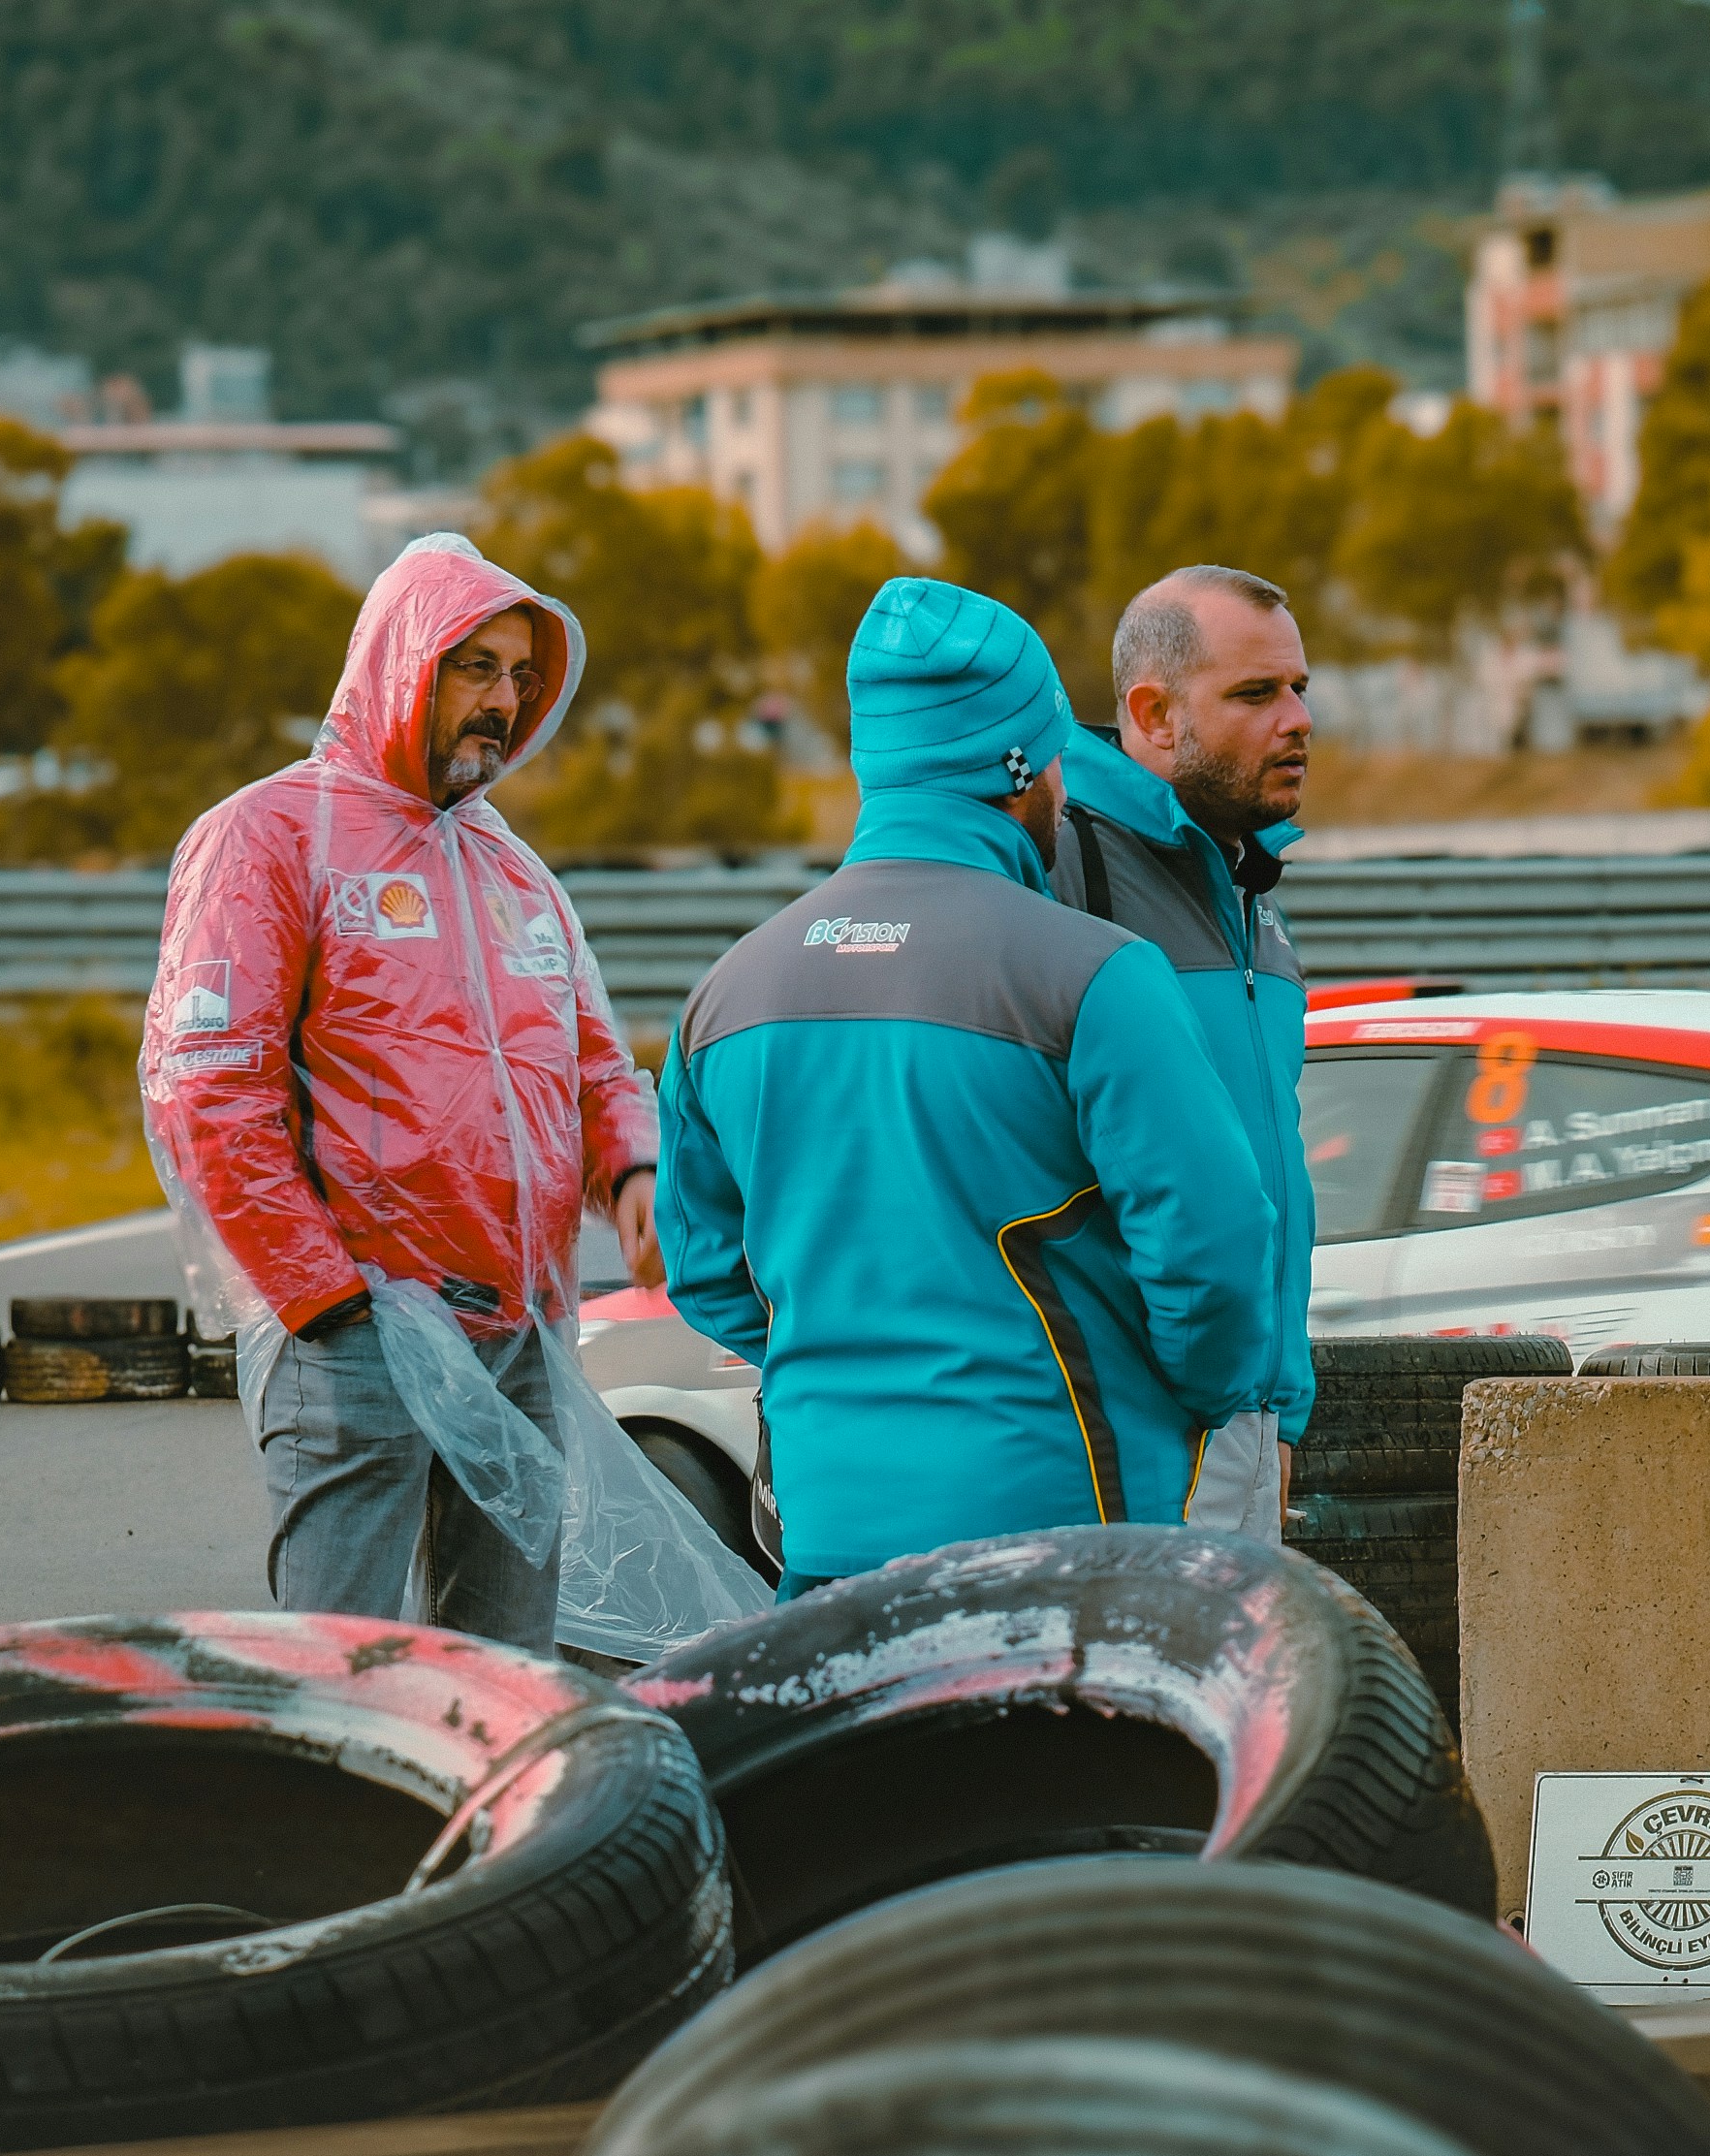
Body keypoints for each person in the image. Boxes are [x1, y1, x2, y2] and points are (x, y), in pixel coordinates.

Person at [657, 578, 1279, 1596]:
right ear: (1023, 768)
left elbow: (708, 1268)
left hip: (826, 1540)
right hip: (1060, 1541)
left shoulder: (726, 994)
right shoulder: (1096, 975)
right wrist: (1190, 1400)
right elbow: (1216, 1255)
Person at [143, 531, 659, 1647]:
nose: (503, 702)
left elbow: (594, 1059)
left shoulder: (512, 867)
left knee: (507, 1681)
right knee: (344, 1675)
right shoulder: (270, 835)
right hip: (356, 1333)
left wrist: (634, 1165)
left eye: (522, 676)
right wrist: (326, 1299)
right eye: (475, 668)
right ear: (400, 664)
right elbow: (208, 1085)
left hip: (517, 1333)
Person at [1046, 566, 1321, 1544]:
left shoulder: (1253, 891)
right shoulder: (1063, 867)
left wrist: (1278, 1406)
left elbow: (1271, 1171)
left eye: (1299, 688)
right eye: (1256, 694)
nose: (1296, 718)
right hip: (1129, 1432)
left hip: (1247, 1421)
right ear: (1153, 713)